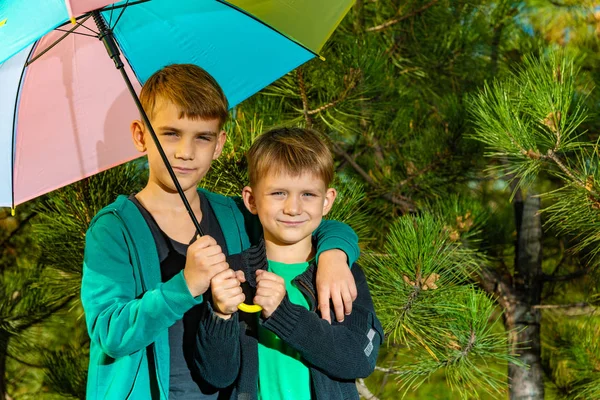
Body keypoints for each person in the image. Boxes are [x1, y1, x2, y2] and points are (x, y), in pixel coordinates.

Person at [80, 65, 361, 400]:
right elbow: (110, 331)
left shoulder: (233, 215)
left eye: (202, 137)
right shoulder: (114, 228)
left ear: (219, 144)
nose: (186, 151)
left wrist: (334, 253)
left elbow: (301, 222)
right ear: (141, 135)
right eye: (171, 133)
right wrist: (185, 286)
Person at [200, 127, 384, 399]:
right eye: (278, 194)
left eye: (308, 194)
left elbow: (359, 358)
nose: (293, 208)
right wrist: (220, 316)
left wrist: (283, 314)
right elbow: (216, 375)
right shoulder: (233, 275)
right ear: (251, 200)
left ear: (327, 201)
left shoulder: (343, 275)